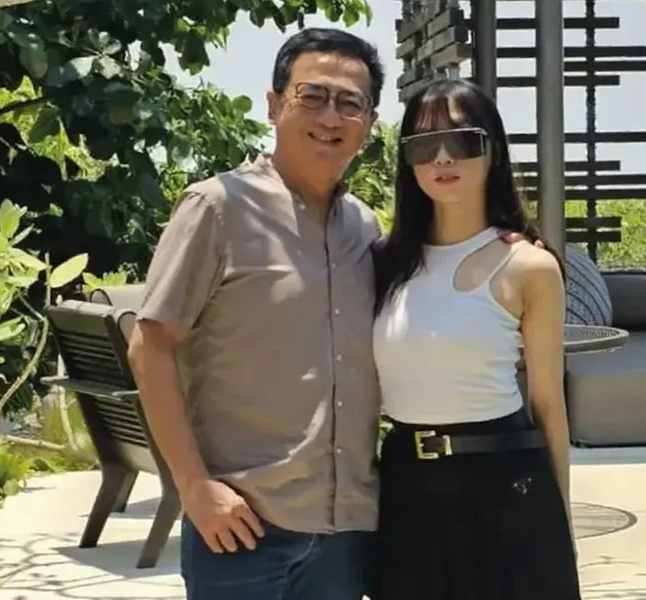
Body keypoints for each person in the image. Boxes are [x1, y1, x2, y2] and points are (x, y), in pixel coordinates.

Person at [126, 28, 539, 599]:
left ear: (368, 125)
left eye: (350, 103)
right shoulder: (218, 208)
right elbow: (150, 344)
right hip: (243, 528)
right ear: (274, 105)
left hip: (348, 534)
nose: (330, 116)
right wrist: (193, 487)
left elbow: (439, 285)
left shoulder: (363, 229)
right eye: (312, 96)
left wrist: (500, 243)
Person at [370, 78, 581, 600]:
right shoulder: (384, 261)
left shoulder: (529, 266)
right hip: (405, 486)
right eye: (424, 144)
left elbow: (548, 402)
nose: (443, 157)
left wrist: (561, 523)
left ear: (494, 150)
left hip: (503, 484)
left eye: (462, 140)